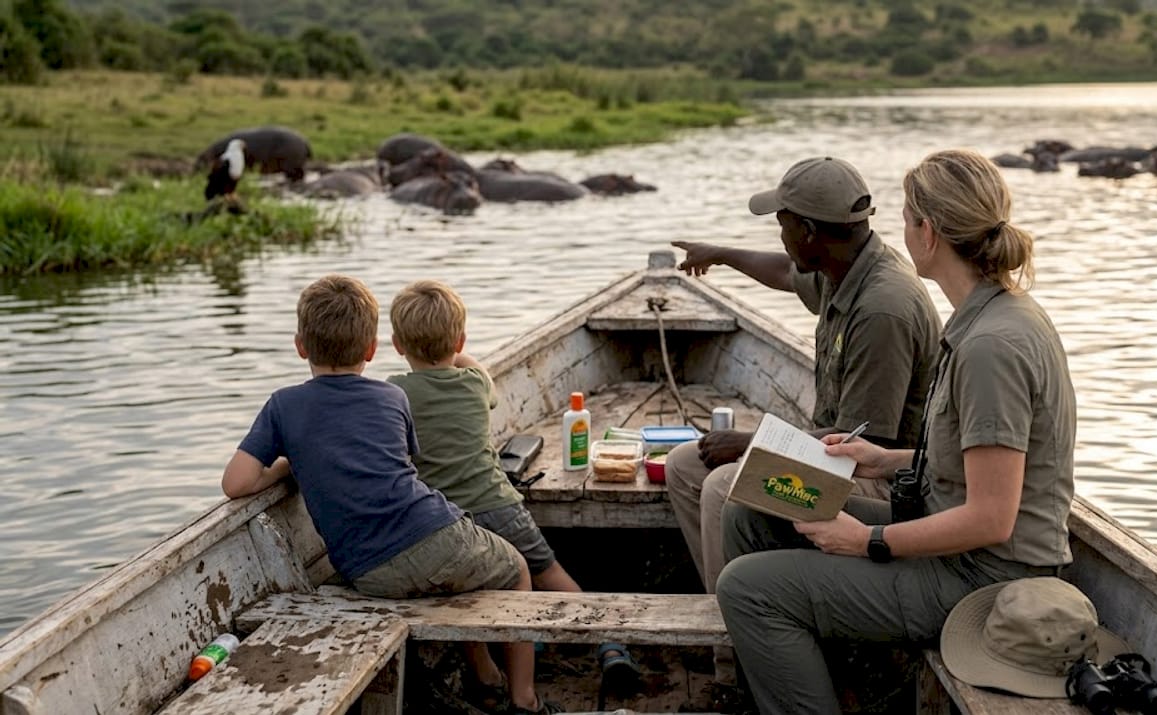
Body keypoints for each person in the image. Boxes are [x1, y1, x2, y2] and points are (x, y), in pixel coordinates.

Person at [715, 149, 1078, 714]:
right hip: (947, 535)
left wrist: (866, 542)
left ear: (927, 233)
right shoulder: (988, 315)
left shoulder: (990, 347)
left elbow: (992, 516)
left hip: (980, 576)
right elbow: (973, 464)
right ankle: (812, 691)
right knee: (755, 508)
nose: (899, 231)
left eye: (906, 218)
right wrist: (882, 461)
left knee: (748, 588)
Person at [221, 274, 558, 715]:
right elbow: (400, 466)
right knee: (516, 571)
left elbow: (236, 483)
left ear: (300, 346)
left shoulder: (283, 405)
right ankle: (523, 699)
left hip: (367, 570)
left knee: (455, 574)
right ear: (371, 349)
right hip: (433, 532)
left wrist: (290, 462)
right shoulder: (391, 397)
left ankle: (486, 678)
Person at [666, 156, 940, 696]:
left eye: (783, 222)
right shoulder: (840, 268)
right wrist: (719, 254)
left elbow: (871, 445)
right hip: (841, 449)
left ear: (810, 232)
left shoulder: (882, 308)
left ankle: (746, 654)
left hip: (881, 476)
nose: (780, 232)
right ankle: (742, 626)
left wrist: (752, 443)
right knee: (685, 464)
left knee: (724, 483)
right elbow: (782, 272)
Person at [385, 279, 640, 697]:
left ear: (396, 344)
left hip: (446, 520)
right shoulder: (473, 383)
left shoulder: (395, 393)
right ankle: (607, 641)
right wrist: (456, 351)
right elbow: (476, 369)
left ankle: (485, 672)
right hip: (499, 505)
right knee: (549, 573)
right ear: (461, 339)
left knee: (464, 593)